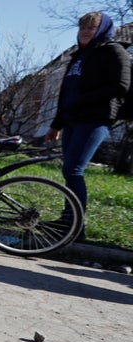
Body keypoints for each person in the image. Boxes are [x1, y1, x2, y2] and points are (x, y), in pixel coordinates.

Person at [44, 11, 130, 229]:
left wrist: (84, 99)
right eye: (82, 28)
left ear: (101, 30)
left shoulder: (113, 51)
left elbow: (121, 86)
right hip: (72, 119)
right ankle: (68, 220)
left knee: (74, 169)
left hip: (95, 118)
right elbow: (66, 94)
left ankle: (74, 225)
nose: (85, 32)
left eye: (91, 28)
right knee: (69, 169)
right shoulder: (77, 56)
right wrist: (56, 124)